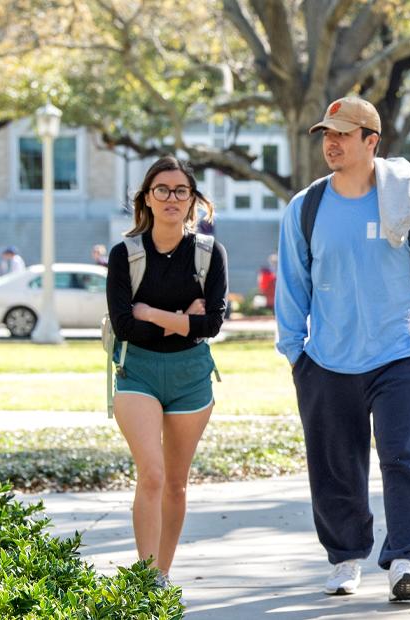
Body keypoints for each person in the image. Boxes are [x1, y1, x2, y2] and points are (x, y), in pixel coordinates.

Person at [275, 96, 410, 600]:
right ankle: (346, 557)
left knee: (402, 459)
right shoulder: (305, 208)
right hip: (326, 360)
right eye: (326, 134)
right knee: (335, 464)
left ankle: (403, 560)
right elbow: (293, 283)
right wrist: (295, 354)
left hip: (398, 354)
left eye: (343, 134)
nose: (331, 143)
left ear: (372, 141)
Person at [105, 156, 228, 587]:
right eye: (162, 190)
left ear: (193, 200)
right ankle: (144, 578)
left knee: (175, 483)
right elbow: (124, 324)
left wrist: (151, 312)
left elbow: (212, 323)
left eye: (181, 190)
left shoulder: (210, 254)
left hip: (191, 375)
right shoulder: (125, 255)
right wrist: (181, 319)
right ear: (147, 199)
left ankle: (161, 574)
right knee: (152, 474)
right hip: (136, 371)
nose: (172, 198)